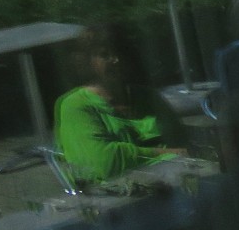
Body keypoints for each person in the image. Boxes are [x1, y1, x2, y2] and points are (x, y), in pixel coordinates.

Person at [55, 29, 175, 182]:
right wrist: (170, 154)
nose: (116, 60)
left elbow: (183, 140)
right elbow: (106, 163)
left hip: (171, 184)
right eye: (104, 55)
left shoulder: (148, 96)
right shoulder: (75, 105)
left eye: (121, 54)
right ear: (88, 62)